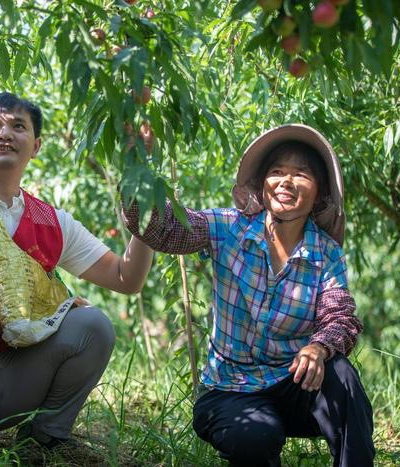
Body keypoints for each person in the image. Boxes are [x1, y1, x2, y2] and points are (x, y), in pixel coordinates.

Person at [0, 35, 153, 459]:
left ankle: (43, 440)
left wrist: (146, 209)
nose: (5, 134)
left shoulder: (50, 222)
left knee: (95, 326)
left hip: (8, 386)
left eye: (19, 126)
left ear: (35, 146)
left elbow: (127, 278)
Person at [122, 124, 374, 466]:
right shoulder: (228, 228)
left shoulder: (325, 253)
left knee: (342, 376)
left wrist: (318, 347)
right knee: (255, 436)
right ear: (263, 184)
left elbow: (339, 315)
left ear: (319, 193)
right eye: (277, 172)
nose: (286, 182)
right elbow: (160, 228)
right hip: (231, 391)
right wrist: (138, 164)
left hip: (293, 384)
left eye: (300, 174)